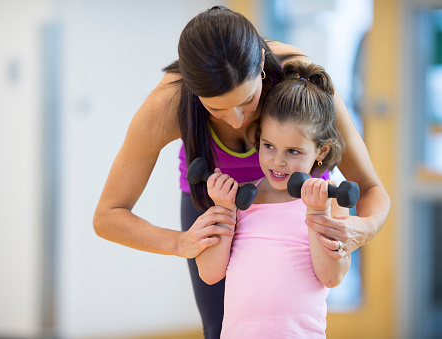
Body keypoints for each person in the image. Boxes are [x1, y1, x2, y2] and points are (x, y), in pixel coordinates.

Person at [93, 6, 390, 339]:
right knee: (218, 327)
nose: (237, 120)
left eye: (249, 101)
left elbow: (369, 187)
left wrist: (363, 228)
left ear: (262, 66)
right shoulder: (166, 106)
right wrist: (181, 243)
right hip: (217, 199)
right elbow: (108, 215)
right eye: (216, 109)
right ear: (193, 90)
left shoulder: (300, 79)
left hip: (300, 197)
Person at [196, 61, 351, 338]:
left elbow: (332, 276)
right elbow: (209, 273)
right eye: (269, 146)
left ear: (321, 151)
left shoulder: (330, 202)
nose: (277, 160)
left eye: (293, 151)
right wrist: (222, 208)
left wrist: (316, 212)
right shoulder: (241, 198)